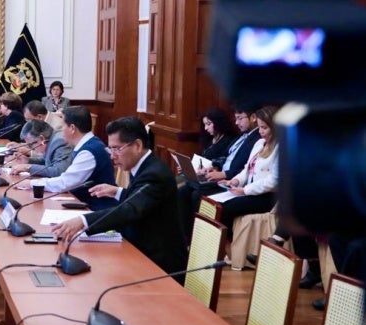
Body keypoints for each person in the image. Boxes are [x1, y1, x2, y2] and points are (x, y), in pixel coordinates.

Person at [52, 116, 187, 276]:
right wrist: (117, 191)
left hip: (159, 264)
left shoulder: (154, 174)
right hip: (140, 250)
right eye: (110, 149)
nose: (112, 156)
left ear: (137, 145)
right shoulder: (144, 166)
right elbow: (142, 199)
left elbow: (130, 209)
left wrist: (83, 221)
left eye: (117, 149)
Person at [177, 104, 261, 238]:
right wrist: (214, 166)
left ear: (253, 118)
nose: (236, 122)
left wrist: (224, 174)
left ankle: (199, 238)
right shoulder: (243, 137)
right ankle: (185, 237)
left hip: (232, 181)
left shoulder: (257, 139)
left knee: (196, 194)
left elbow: (248, 167)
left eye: (240, 118)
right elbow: (228, 158)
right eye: (235, 119)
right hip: (223, 176)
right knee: (183, 190)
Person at [41, 106, 117, 211]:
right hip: (85, 204)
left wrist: (32, 184)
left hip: (96, 210)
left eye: (63, 125)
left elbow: (65, 182)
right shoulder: (88, 144)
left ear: (72, 128)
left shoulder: (89, 152)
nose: (61, 129)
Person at [218, 106, 279, 234]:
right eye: (259, 127)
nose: (260, 132)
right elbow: (247, 169)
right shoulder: (259, 144)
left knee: (226, 208)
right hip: (250, 191)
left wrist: (245, 190)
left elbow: (274, 181)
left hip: (267, 197)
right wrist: (235, 181)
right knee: (215, 204)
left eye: (264, 128)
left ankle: (227, 245)